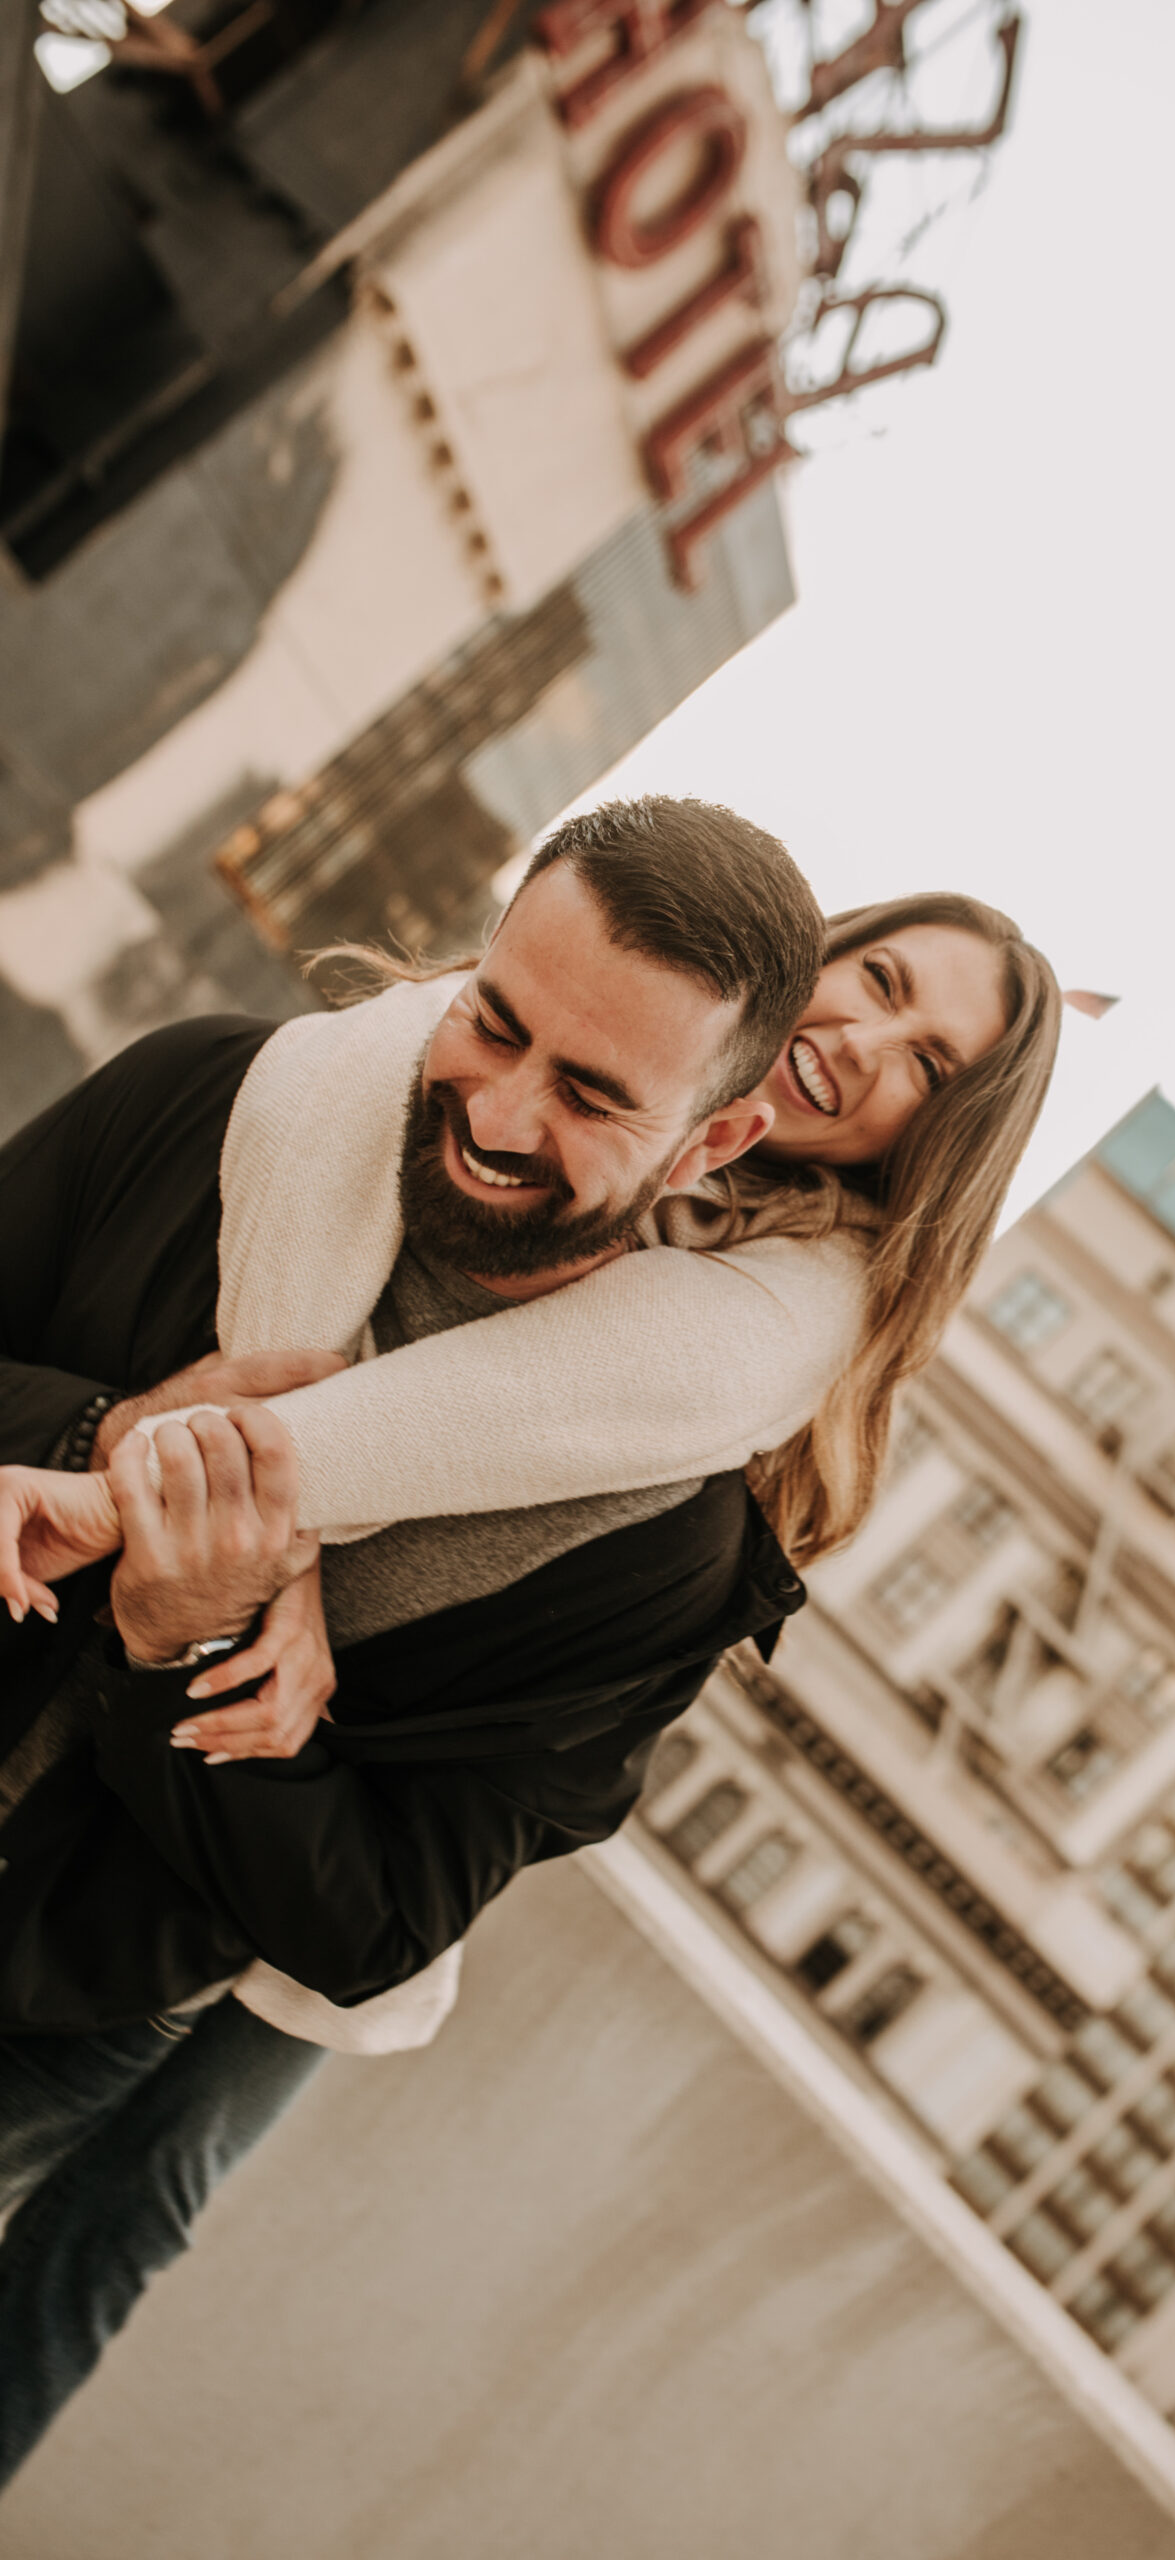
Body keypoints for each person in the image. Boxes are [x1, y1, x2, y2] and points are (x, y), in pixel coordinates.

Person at [0, 798, 1062, 2480]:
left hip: (127, 1925)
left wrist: (203, 1597)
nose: (863, 1040)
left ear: (705, 1138)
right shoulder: (289, 1103)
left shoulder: (719, 1428)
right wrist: (127, 1450)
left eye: (926, 1059)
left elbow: (384, 1891)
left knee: (139, 2203)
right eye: (871, 980)